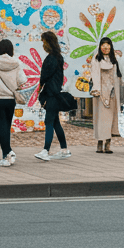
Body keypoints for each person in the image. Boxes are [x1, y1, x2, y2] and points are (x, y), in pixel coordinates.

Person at [33, 30, 72, 161]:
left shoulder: (50, 59)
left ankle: (46, 150)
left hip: (51, 94)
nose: (42, 44)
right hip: (56, 93)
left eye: (43, 41)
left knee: (49, 121)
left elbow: (44, 77)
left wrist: (40, 91)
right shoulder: (59, 57)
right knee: (55, 122)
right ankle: (64, 149)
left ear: (48, 42)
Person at [0, 39, 26, 166]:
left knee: (1, 125)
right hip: (10, 99)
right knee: (7, 126)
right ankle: (8, 152)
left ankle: (7, 154)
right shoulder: (16, 63)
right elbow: (22, 79)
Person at [85, 37, 123, 153]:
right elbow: (94, 74)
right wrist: (97, 89)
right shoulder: (96, 59)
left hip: (112, 93)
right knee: (100, 118)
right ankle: (99, 142)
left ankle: (108, 143)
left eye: (108, 45)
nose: (105, 47)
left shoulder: (116, 59)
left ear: (111, 46)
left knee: (111, 119)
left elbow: (120, 76)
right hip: (100, 93)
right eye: (103, 45)